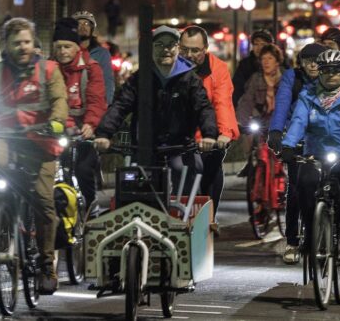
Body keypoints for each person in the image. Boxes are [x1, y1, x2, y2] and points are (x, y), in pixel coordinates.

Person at [0, 17, 68, 294]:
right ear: (5, 46)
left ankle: (47, 266)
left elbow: (59, 100)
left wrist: (56, 122)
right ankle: (0, 211)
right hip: (7, 139)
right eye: (16, 42)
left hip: (41, 143)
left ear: (34, 44)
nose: (22, 47)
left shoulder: (49, 70)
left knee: (44, 202)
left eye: (26, 42)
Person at [280, 49, 340, 277]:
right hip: (316, 156)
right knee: (303, 186)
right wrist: (288, 145)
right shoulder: (307, 96)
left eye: (336, 71)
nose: (331, 75)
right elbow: (298, 121)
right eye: (326, 70)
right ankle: (311, 236)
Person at [94, 26, 219, 193]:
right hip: (145, 148)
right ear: (151, 48)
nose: (165, 50)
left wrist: (209, 135)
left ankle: (185, 217)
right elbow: (121, 105)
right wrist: (104, 134)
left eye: (170, 45)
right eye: (159, 44)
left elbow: (203, 107)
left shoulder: (190, 79)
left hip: (180, 147)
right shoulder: (140, 78)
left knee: (186, 172)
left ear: (177, 48)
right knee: (133, 183)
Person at [268, 42, 328, 264]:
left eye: (316, 61)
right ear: (300, 63)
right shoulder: (292, 77)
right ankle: (292, 241)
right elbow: (282, 103)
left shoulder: (333, 77)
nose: (312, 66)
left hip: (327, 141)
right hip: (298, 139)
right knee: (294, 190)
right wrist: (275, 131)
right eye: (307, 61)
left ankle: (335, 233)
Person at [180, 25, 238, 237]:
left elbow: (222, 103)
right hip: (181, 134)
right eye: (184, 49)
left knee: (212, 165)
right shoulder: (174, 67)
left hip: (209, 133)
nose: (189, 55)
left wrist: (223, 134)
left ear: (205, 49)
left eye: (195, 50)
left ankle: (210, 214)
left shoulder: (218, 69)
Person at [51, 18, 107, 210]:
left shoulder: (91, 68)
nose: (63, 52)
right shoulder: (49, 69)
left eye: (67, 46)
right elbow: (54, 100)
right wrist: (64, 124)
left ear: (76, 47)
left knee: (83, 170)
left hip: (84, 128)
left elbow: (96, 99)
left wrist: (90, 125)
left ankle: (91, 208)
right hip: (58, 124)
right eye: (58, 47)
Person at [72, 11, 115, 104]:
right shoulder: (68, 52)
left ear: (91, 28)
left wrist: (107, 104)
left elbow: (107, 81)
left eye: (86, 24)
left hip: (94, 103)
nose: (83, 27)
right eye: (78, 24)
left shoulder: (102, 53)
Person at [231, 29, 273, 105]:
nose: (259, 47)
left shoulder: (278, 64)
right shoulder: (245, 65)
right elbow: (237, 90)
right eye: (256, 44)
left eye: (263, 44)